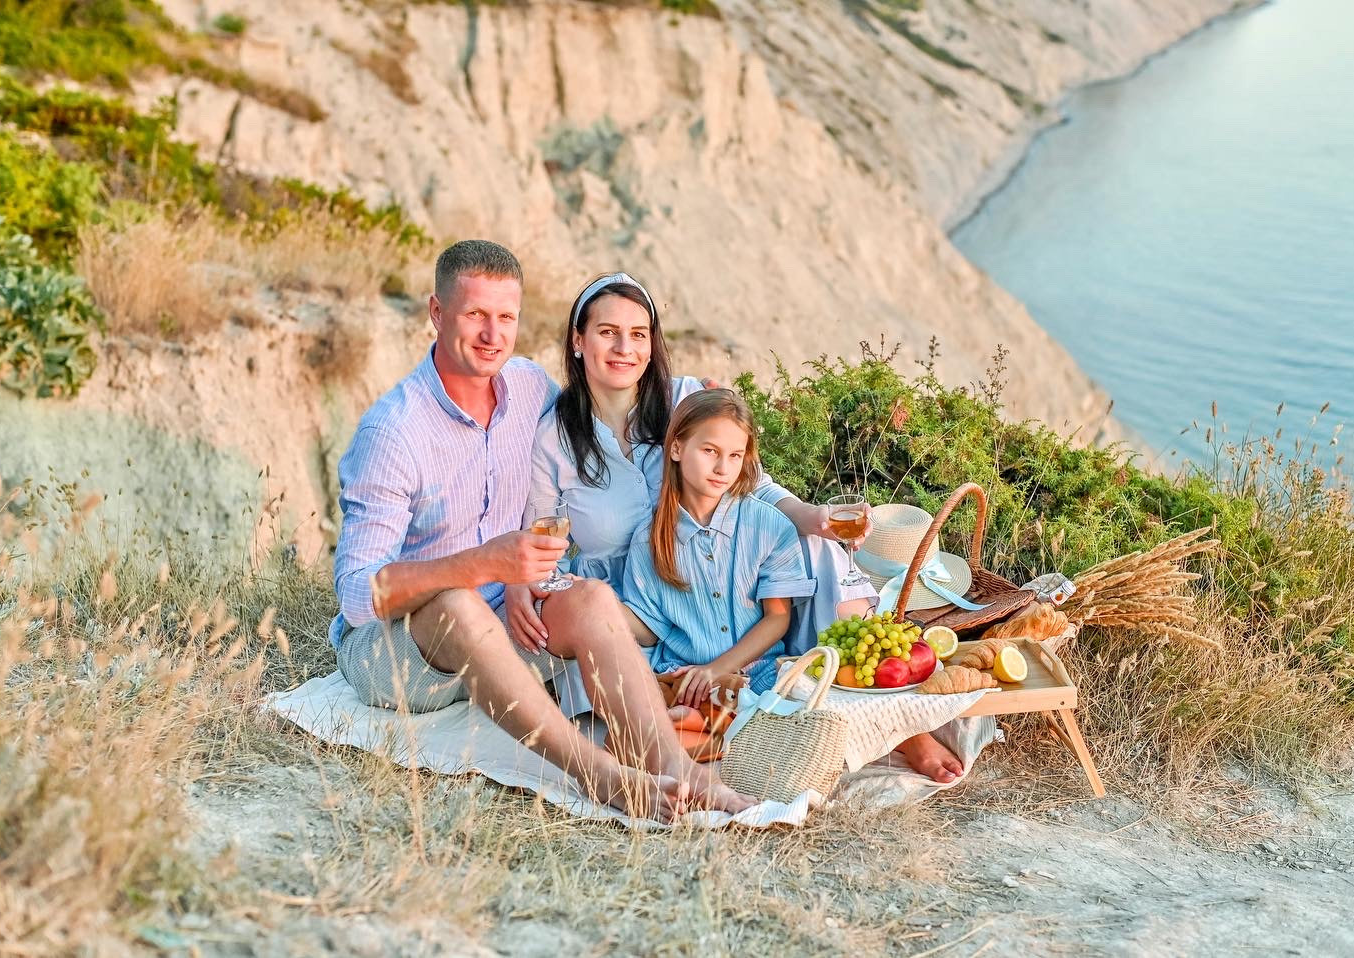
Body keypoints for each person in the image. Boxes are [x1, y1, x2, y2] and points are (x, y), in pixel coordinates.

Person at [329, 240, 753, 820]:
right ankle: (600, 775)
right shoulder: (394, 432)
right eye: (475, 314)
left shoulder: (528, 389)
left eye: (506, 317)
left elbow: (607, 410)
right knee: (459, 600)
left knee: (590, 597)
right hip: (402, 656)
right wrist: (483, 564)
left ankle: (676, 769)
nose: (491, 334)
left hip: (511, 631)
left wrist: (689, 399)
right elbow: (358, 596)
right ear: (436, 313)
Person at [526, 271, 964, 783]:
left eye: (639, 333)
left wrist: (810, 518)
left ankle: (899, 725)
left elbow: (750, 482)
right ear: (578, 341)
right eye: (607, 332)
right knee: (650, 695)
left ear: (653, 343)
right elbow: (542, 538)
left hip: (728, 579)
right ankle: (704, 733)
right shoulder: (556, 435)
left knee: (817, 549)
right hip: (642, 598)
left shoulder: (683, 398)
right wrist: (544, 594)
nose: (624, 347)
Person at [620, 390, 815, 707]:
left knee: (802, 708)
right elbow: (650, 629)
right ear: (677, 448)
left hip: (760, 677)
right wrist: (595, 602)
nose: (723, 467)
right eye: (710, 451)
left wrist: (716, 670)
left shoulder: (770, 526)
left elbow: (777, 619)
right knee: (654, 714)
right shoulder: (648, 538)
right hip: (682, 680)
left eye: (735, 455)